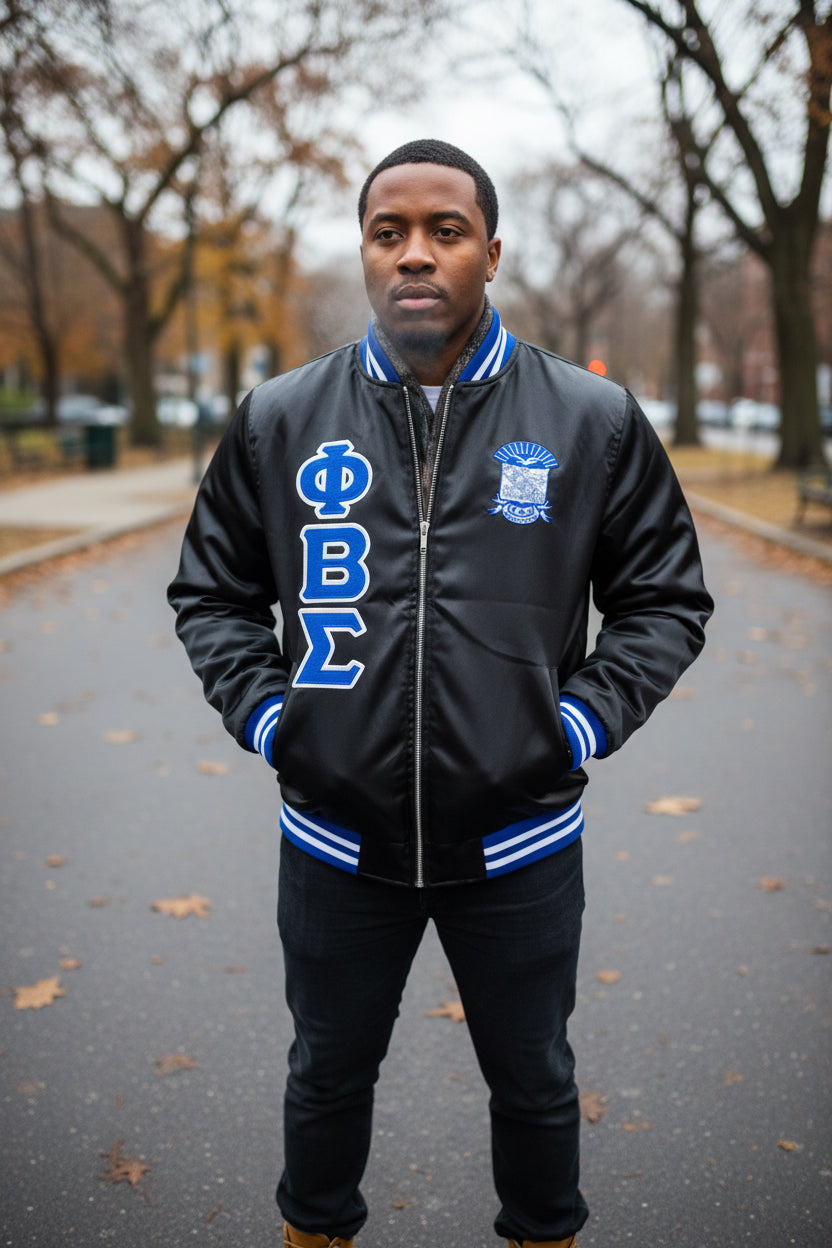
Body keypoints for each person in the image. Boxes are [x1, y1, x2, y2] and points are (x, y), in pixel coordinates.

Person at [168, 139, 713, 1248]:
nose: (415, 254)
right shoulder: (279, 417)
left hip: (517, 838)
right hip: (333, 840)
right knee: (325, 1077)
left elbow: (664, 600)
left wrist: (573, 723)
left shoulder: (588, 422)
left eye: (445, 232)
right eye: (389, 233)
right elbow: (212, 595)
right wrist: (280, 722)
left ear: (490, 254)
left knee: (535, 1084)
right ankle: (315, 1231)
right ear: (365, 256)